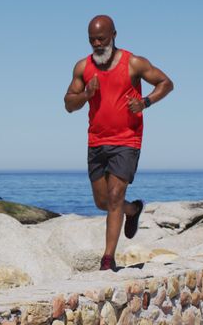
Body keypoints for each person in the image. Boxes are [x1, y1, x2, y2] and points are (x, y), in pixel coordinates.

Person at [64, 15, 174, 271]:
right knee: (102, 202)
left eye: (101, 38)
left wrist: (145, 102)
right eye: (92, 40)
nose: (97, 44)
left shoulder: (133, 63)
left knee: (114, 197)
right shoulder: (83, 67)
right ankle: (133, 210)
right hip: (97, 140)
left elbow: (166, 83)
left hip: (127, 140)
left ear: (114, 35)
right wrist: (85, 95)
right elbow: (69, 104)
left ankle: (107, 260)